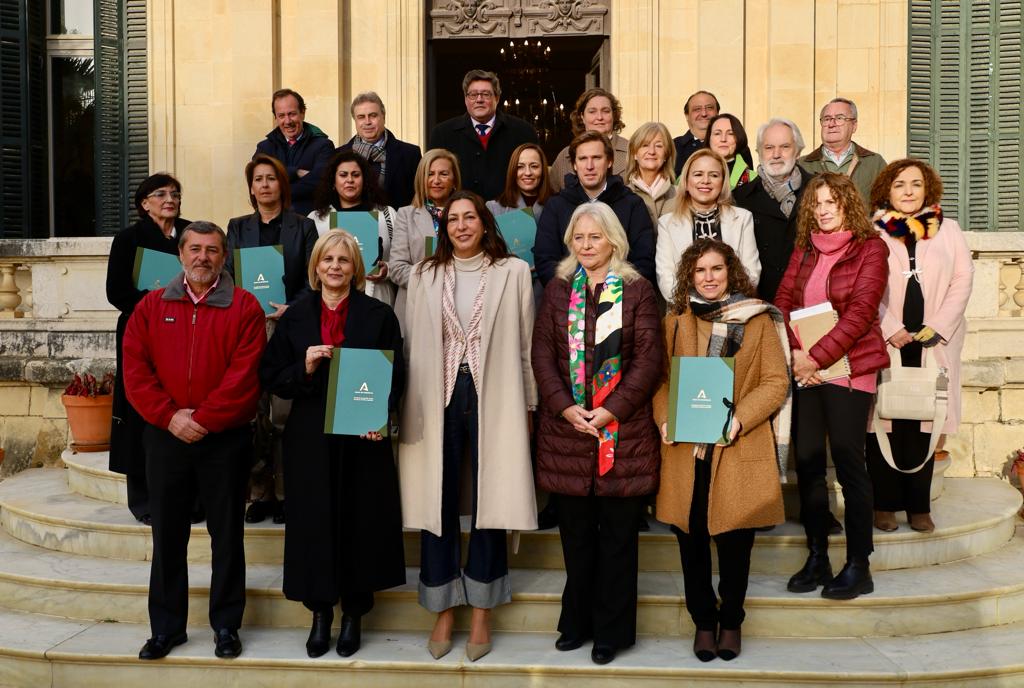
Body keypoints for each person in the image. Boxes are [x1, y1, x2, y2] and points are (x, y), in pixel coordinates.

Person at [399, 191, 537, 662]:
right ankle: (442, 605)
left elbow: (525, 343)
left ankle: (481, 604)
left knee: (489, 499)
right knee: (435, 498)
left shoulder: (513, 272)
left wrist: (530, 404)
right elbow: (410, 341)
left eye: (469, 217)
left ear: (484, 223)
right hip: (434, 396)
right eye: (452, 219)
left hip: (492, 393)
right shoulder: (423, 274)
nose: (461, 226)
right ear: (444, 227)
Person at [259, 230, 406, 658]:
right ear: (316, 266)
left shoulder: (379, 315)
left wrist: (378, 415)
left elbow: (395, 373)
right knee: (314, 520)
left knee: (360, 519)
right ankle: (320, 612)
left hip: (362, 434)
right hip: (310, 433)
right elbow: (271, 376)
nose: (336, 267)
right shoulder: (296, 316)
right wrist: (303, 366)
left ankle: (355, 614)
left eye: (344, 260)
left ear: (355, 268)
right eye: (328, 260)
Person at [123, 221, 266, 660]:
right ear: (181, 255)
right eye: (195, 249)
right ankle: (167, 628)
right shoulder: (150, 306)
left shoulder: (244, 307)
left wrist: (201, 420)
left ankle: (226, 625)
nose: (203, 257)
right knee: (167, 535)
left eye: (212, 250)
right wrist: (169, 418)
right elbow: (135, 370)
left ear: (225, 257)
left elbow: (245, 377)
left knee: (227, 535)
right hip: (165, 438)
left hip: (224, 439)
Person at [532, 201, 662, 665]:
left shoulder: (637, 290)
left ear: (614, 241)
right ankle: (576, 623)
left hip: (623, 435)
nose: (587, 245)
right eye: (579, 238)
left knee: (619, 542)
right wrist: (566, 408)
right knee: (577, 540)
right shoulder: (557, 290)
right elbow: (542, 356)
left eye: (595, 237)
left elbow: (648, 360)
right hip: (566, 433)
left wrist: (610, 410)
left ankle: (612, 631)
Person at [654, 239, 790, 662]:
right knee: (690, 542)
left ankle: (731, 620)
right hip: (686, 450)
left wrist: (740, 417)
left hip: (736, 445)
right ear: (688, 277)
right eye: (700, 271)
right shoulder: (675, 321)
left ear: (731, 272)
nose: (709, 278)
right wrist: (665, 416)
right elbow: (661, 382)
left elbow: (775, 381)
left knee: (735, 544)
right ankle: (703, 622)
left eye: (716, 269)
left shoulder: (757, 320)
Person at [774, 172, 889, 601]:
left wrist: (815, 358)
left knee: (847, 460)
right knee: (805, 461)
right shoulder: (804, 248)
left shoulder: (871, 248)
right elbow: (782, 300)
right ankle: (817, 554)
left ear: (847, 205)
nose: (823, 210)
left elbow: (861, 313)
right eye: (817, 203)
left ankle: (859, 565)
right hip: (806, 368)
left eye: (831, 202)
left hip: (848, 367)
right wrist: (795, 356)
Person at [867, 159, 973, 534]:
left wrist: (938, 326)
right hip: (890, 341)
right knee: (885, 420)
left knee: (925, 421)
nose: (908, 191)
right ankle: (884, 504)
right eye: (900, 185)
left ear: (928, 188)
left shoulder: (949, 230)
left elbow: (962, 278)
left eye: (915, 184)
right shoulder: (874, 231)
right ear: (887, 191)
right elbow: (865, 286)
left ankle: (918, 506)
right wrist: (889, 327)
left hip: (933, 341)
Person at [224, 154, 317, 525]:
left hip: (288, 325)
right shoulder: (236, 227)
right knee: (253, 411)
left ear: (282, 185)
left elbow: (314, 277)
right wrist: (249, 307)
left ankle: (285, 493)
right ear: (251, 188)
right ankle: (259, 493)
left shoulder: (303, 226)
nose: (264, 185)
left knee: (283, 413)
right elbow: (228, 275)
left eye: (271, 179)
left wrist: (289, 308)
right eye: (258, 179)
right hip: (247, 325)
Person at [106, 174, 192, 525]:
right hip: (141, 330)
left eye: (175, 193)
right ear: (144, 203)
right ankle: (144, 501)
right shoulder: (128, 239)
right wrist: (157, 303)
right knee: (141, 410)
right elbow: (117, 292)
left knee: (182, 403)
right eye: (161, 194)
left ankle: (189, 496)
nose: (169, 199)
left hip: (187, 331)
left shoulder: (190, 234)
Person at [534, 131, 655, 286]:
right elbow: (545, 260)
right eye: (583, 159)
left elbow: (644, 261)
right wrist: (573, 294)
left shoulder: (632, 204)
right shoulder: (556, 205)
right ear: (575, 165)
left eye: (596, 158)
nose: (589, 166)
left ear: (609, 161)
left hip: (621, 301)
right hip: (570, 300)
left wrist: (615, 294)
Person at [656, 149, 760, 301]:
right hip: (686, 310)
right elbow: (666, 277)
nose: (706, 181)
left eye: (714, 175)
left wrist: (725, 305)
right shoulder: (667, 223)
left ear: (723, 182)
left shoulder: (743, 218)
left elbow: (752, 272)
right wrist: (697, 306)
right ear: (686, 181)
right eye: (698, 174)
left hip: (733, 309)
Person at [427, 69, 538, 199]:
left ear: (497, 98)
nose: (479, 100)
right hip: (459, 214)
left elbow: (535, 179)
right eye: (473, 95)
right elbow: (432, 182)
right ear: (465, 99)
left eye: (486, 94)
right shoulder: (442, 133)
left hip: (512, 214)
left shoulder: (523, 131)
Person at [733, 118, 810, 302]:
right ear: (759, 152)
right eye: (768, 148)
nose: (776, 154)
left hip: (808, 300)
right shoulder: (741, 197)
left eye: (784, 147)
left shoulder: (818, 191)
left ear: (797, 151)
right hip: (760, 301)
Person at [310, 149, 398, 306]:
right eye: (343, 175)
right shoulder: (317, 219)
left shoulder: (386, 215)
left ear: (365, 180)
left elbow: (400, 259)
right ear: (333, 181)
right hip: (331, 304)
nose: (349, 180)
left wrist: (387, 270)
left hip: (377, 299)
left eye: (355, 175)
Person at [388, 149, 461, 328]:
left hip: (459, 307)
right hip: (416, 309)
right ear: (422, 179)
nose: (436, 180)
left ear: (454, 181)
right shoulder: (405, 215)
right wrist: (435, 281)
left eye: (443, 174)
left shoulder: (469, 214)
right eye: (430, 174)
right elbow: (397, 268)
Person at [254, 88, 335, 215]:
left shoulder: (323, 146)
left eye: (292, 114)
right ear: (275, 117)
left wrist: (277, 186)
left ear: (302, 113)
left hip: (311, 223)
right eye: (281, 116)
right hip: (273, 222)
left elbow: (322, 183)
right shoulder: (265, 148)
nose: (287, 121)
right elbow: (256, 181)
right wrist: (296, 172)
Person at [336, 91, 421, 208]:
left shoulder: (410, 154)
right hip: (350, 222)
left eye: (373, 115)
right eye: (361, 117)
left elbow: (419, 196)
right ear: (355, 121)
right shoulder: (338, 155)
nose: (367, 122)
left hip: (396, 224)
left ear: (383, 117)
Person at [799, 97, 886, 204]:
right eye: (827, 119)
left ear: (854, 126)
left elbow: (888, 207)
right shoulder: (802, 165)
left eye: (839, 118)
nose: (831, 124)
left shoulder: (875, 164)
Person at [549, 88, 630, 193]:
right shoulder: (565, 156)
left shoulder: (632, 151)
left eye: (605, 111)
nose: (599, 117)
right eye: (592, 111)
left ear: (613, 116)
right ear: (582, 117)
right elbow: (548, 198)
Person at [624, 121, 678, 227]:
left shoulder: (681, 195)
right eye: (645, 145)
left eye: (658, 146)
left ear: (666, 154)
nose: (652, 151)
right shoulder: (624, 195)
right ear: (634, 153)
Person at [673, 90, 720, 176]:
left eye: (709, 108)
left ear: (718, 113)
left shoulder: (733, 146)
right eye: (697, 109)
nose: (704, 113)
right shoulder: (672, 147)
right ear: (687, 115)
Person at [705, 114, 758, 189]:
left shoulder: (753, 179)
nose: (723, 139)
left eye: (730, 134)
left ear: (739, 138)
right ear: (709, 138)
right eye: (717, 133)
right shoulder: (690, 173)